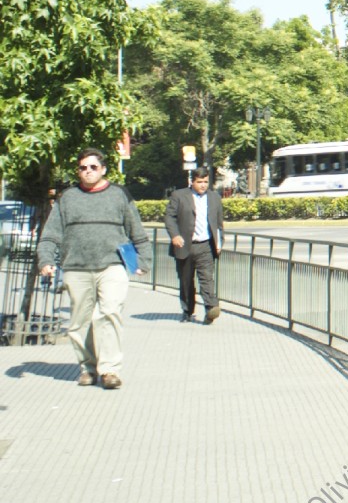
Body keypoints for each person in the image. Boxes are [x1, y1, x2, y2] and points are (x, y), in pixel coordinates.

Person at [37, 148, 150, 390]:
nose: (87, 171)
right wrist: (46, 260)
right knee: (80, 322)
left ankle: (109, 370)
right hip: (77, 268)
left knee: (108, 313)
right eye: (83, 168)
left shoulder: (119, 195)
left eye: (93, 167)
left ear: (103, 169)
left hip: (112, 265)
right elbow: (51, 234)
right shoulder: (67, 198)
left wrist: (143, 261)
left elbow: (136, 231)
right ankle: (88, 366)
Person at [165, 169, 224, 323]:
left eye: (205, 182)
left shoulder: (214, 198)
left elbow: (218, 223)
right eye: (199, 182)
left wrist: (219, 242)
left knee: (207, 279)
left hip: (206, 246)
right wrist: (175, 235)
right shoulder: (179, 196)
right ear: (192, 182)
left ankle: (211, 308)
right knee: (186, 281)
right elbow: (169, 218)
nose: (203, 185)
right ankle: (187, 310)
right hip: (185, 245)